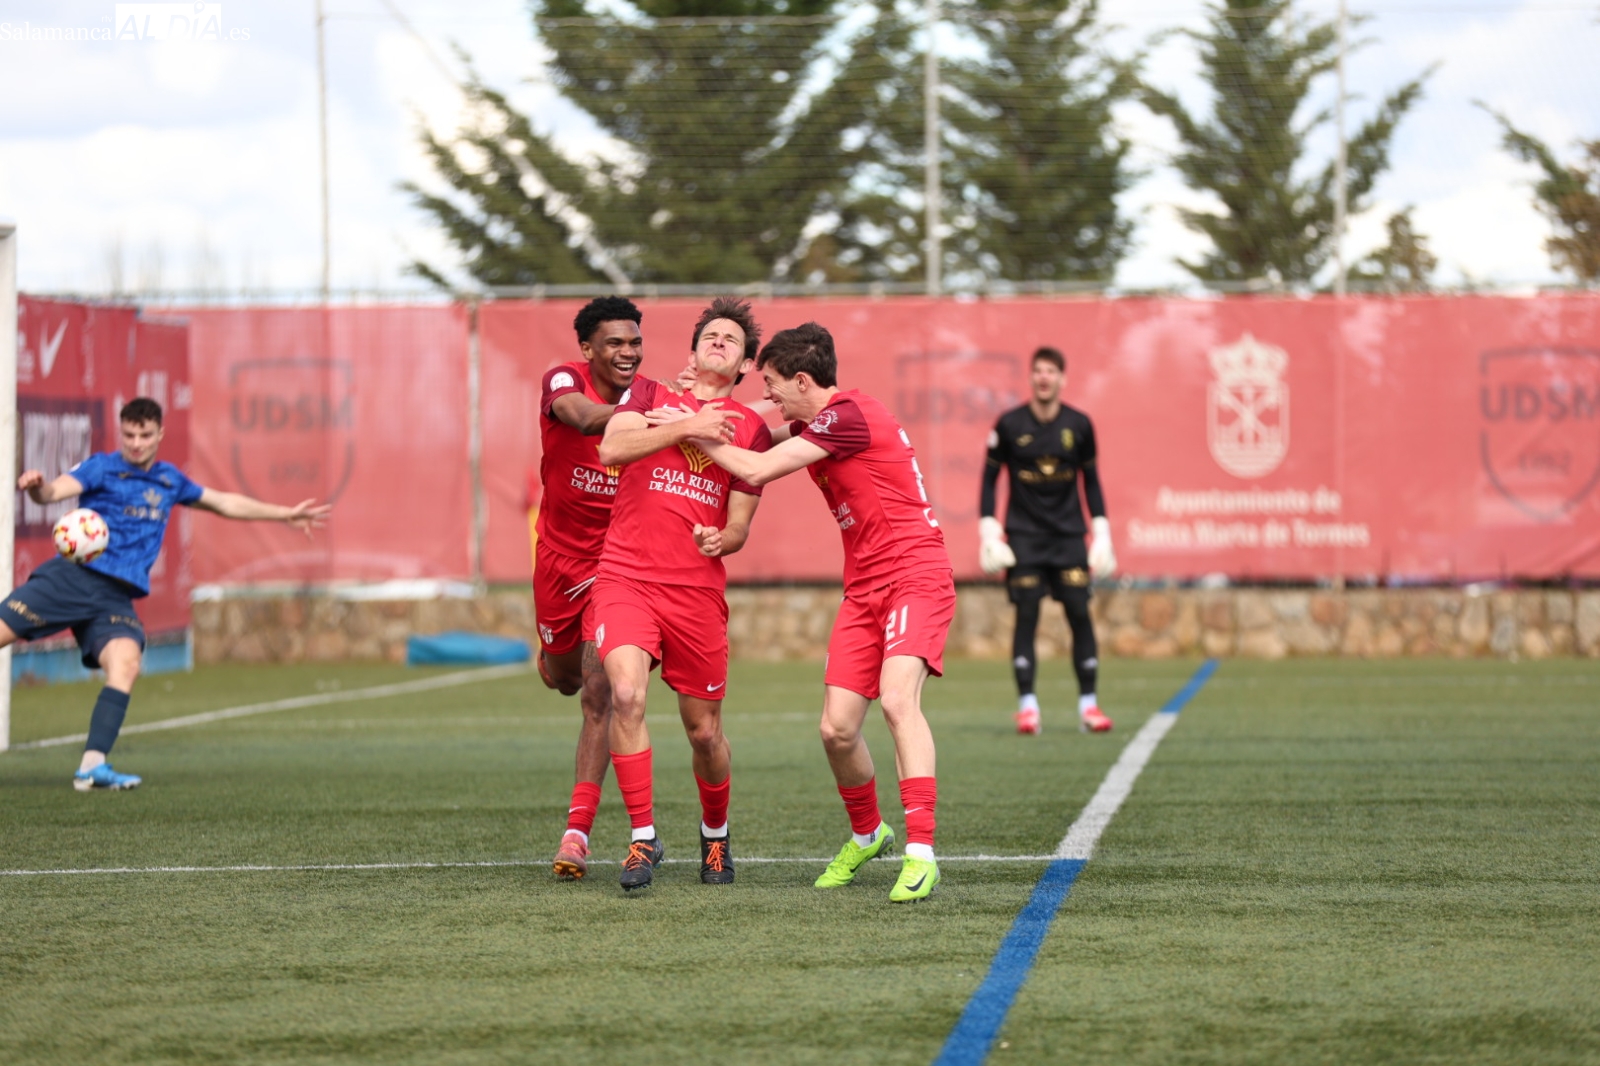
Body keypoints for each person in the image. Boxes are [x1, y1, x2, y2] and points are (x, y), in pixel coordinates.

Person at [690, 322, 953, 904]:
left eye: (775, 383)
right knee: (836, 729)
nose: (770, 393)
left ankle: (922, 853)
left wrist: (685, 426)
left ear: (803, 379)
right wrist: (704, 400)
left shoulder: (850, 415)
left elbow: (755, 466)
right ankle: (868, 834)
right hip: (864, 590)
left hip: (915, 575)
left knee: (896, 700)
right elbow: (756, 428)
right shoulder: (819, 418)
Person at [1, 397, 331, 790]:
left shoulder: (169, 480)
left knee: (126, 664)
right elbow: (55, 491)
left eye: (144, 435)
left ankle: (91, 767)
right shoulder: (103, 468)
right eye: (129, 434)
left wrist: (284, 513)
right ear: (120, 432)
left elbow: (223, 502)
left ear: (160, 434)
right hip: (72, 579)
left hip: (113, 597)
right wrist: (38, 488)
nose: (136, 442)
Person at [591, 296, 772, 892]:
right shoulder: (647, 395)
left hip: (695, 593)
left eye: (732, 340)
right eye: (710, 335)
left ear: (744, 365)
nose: (719, 341)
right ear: (693, 348)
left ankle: (715, 838)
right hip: (626, 577)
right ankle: (643, 838)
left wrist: (723, 538)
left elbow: (741, 525)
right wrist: (689, 424)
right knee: (625, 695)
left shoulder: (752, 428)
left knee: (704, 733)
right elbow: (612, 449)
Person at [533, 296, 646, 881]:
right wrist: (656, 420)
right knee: (565, 677)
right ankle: (555, 659)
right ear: (587, 349)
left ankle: (577, 832)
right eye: (614, 344)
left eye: (634, 342)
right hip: (557, 561)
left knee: (599, 694)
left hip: (617, 566)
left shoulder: (652, 395)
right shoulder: (562, 379)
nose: (627, 354)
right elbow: (579, 417)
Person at [978, 345, 1116, 736]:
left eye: (1051, 371)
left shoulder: (1081, 425)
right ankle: (1028, 708)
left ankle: (1089, 706)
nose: (1044, 377)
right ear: (1031, 377)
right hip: (1024, 537)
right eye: (1038, 370)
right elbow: (989, 480)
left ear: (1061, 378)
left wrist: (1102, 532)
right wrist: (989, 530)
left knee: (1079, 614)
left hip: (1069, 536)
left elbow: (1092, 481)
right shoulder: (1008, 425)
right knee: (1026, 616)